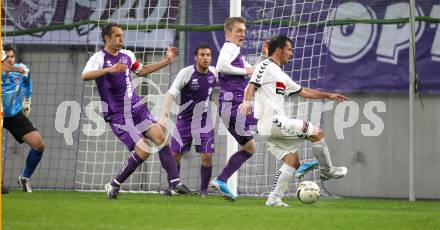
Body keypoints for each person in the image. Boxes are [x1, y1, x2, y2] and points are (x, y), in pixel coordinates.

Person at [81, 22, 190, 199]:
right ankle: (114, 184)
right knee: (143, 150)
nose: (121, 38)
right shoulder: (99, 58)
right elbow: (84, 75)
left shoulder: (127, 55)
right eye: (117, 36)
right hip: (118, 114)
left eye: (122, 35)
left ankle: (174, 182)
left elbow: (142, 70)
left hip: (136, 108)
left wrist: (167, 60)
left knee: (161, 136)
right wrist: (109, 69)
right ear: (107, 38)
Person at [240, 35, 348, 207]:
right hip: (274, 121)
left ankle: (274, 199)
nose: (291, 53)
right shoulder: (266, 65)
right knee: (317, 133)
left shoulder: (280, 74)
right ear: (279, 50)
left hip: (270, 127)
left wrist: (328, 95)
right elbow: (251, 85)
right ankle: (328, 171)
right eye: (289, 49)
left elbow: (302, 91)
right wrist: (246, 102)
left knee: (292, 161)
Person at [159, 44, 217, 197]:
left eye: (208, 55)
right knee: (175, 154)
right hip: (184, 121)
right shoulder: (186, 73)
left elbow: (229, 84)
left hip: (204, 122)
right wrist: (164, 116)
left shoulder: (214, 73)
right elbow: (170, 94)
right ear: (195, 57)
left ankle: (204, 191)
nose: (206, 58)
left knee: (207, 155)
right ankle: (174, 188)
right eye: (202, 55)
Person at [2, 45, 45, 193]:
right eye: (6, 57)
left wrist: (27, 100)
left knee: (38, 144)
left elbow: (27, 83)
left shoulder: (22, 69)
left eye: (12, 56)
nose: (10, 60)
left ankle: (25, 178)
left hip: (14, 115)